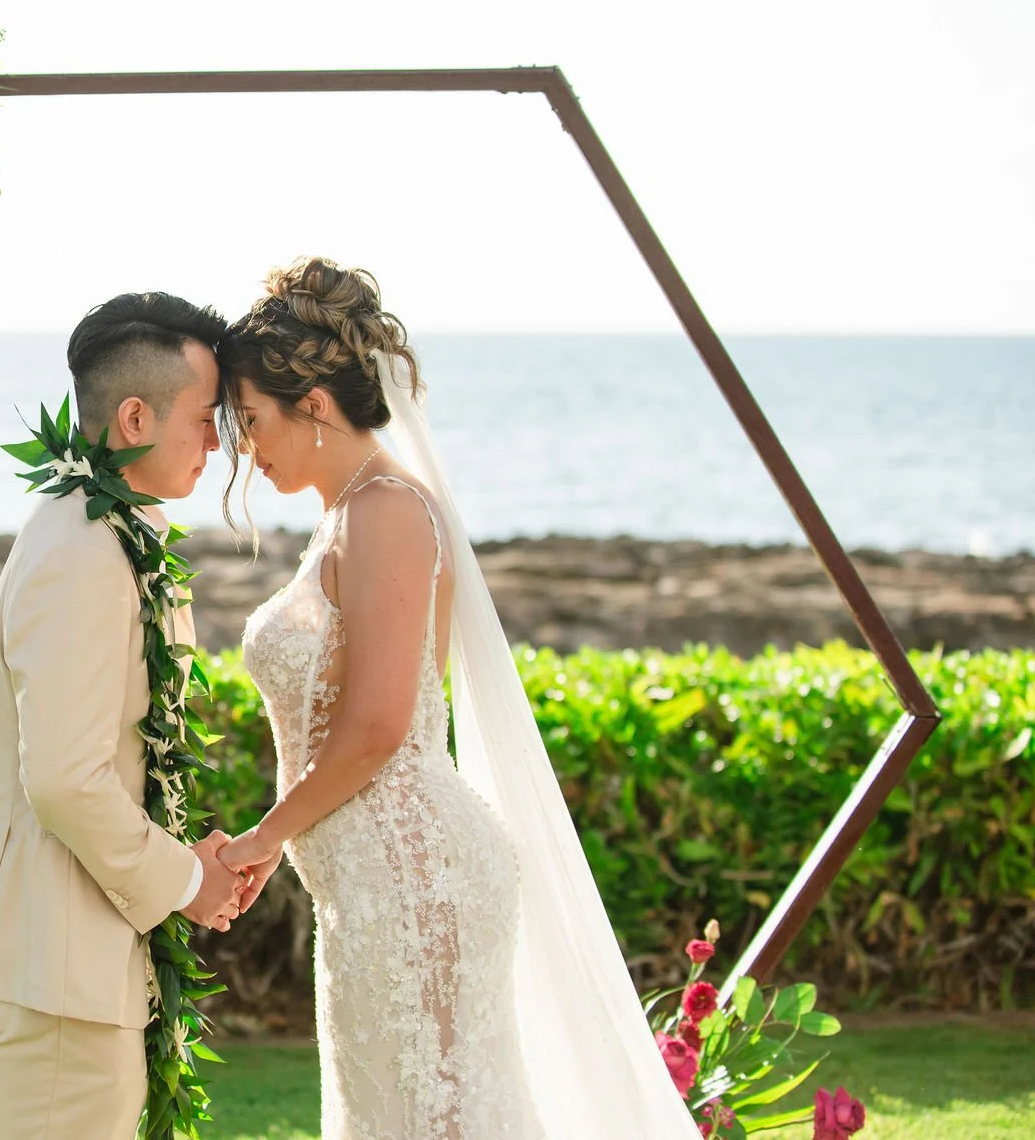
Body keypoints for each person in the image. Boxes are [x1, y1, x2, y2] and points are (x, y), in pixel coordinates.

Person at [215, 257, 694, 1139]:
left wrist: (263, 838)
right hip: (368, 881)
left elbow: (380, 726)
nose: (247, 446)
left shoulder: (387, 510)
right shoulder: (346, 514)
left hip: (415, 874)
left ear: (314, 403)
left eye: (251, 419)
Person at [0, 292, 248, 1140]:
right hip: (56, 970)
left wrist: (186, 857)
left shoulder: (107, 533)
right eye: (205, 416)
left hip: (80, 959)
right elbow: (65, 780)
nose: (215, 440)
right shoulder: (80, 551)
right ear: (136, 414)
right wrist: (187, 881)